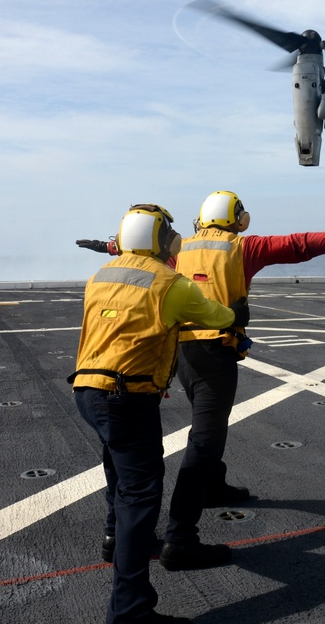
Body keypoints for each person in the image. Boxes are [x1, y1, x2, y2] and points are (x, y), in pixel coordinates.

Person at [158, 190, 325, 571]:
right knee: (204, 439)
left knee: (210, 426)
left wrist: (109, 246)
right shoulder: (241, 247)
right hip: (215, 354)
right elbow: (297, 245)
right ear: (239, 219)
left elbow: (139, 257)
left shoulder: (179, 249)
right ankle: (179, 537)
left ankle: (213, 486)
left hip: (182, 356)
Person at [68, 204, 249, 624]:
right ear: (163, 239)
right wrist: (234, 313)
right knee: (141, 497)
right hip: (126, 398)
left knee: (117, 470)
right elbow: (216, 315)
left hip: (87, 391)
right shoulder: (171, 283)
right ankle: (130, 611)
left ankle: (115, 538)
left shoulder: (100, 276)